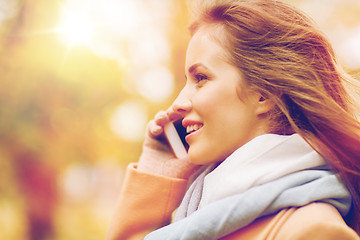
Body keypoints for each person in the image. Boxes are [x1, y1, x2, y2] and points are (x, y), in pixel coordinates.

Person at [106, 0, 360, 239]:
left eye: (201, 78)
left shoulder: (313, 231)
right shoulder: (200, 213)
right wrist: (157, 173)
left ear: (264, 94)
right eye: (187, 81)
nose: (179, 103)